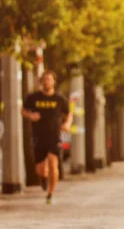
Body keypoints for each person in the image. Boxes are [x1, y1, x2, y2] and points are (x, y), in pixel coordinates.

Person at [21, 70, 72, 205]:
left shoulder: (59, 99)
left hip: (54, 136)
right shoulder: (34, 98)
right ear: (41, 82)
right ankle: (43, 177)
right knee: (41, 168)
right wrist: (30, 116)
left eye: (49, 79)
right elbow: (23, 110)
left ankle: (51, 193)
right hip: (38, 136)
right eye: (44, 79)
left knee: (53, 161)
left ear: (53, 82)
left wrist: (67, 124)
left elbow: (68, 113)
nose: (47, 82)